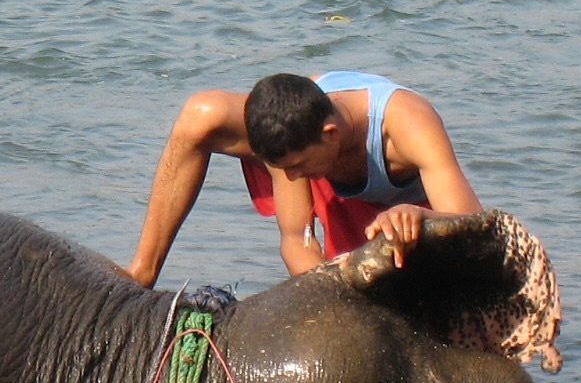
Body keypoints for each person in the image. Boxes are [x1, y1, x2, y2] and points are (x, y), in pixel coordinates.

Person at [125, 71, 481, 285]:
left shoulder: (407, 124)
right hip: (335, 183)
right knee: (200, 114)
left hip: (407, 213)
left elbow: (474, 226)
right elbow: (296, 239)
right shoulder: (297, 134)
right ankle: (143, 269)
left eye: (297, 166)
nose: (292, 178)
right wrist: (329, 288)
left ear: (330, 133)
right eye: (282, 169)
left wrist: (417, 216)